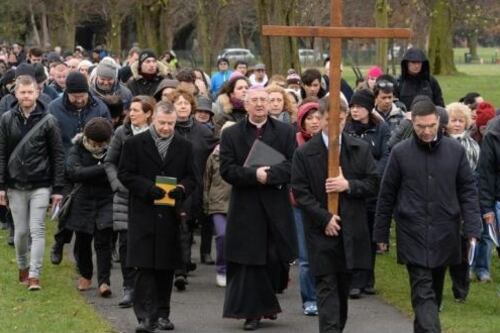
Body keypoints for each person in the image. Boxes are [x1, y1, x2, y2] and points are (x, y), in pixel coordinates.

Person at [374, 97, 481, 333]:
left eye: (431, 126)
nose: (426, 131)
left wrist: (473, 227)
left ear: (439, 123)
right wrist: (380, 234)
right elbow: (387, 195)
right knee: (422, 292)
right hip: (412, 232)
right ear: (413, 124)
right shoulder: (401, 153)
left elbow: (468, 191)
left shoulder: (455, 151)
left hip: (446, 232)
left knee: (433, 293)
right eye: (420, 126)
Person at [292, 96, 379, 332]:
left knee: (342, 289)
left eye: (340, 120)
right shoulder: (305, 153)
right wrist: (324, 218)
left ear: (346, 119)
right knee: (326, 286)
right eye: (329, 120)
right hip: (320, 232)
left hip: (350, 230)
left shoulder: (359, 149)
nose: (335, 126)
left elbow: (373, 183)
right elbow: (300, 191)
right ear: (319, 119)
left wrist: (348, 185)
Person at [220, 87, 297, 331]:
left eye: (264, 100)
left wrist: (270, 175)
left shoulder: (285, 131)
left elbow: (293, 165)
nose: (260, 104)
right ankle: (252, 312)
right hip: (246, 207)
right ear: (246, 104)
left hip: (276, 205)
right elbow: (227, 170)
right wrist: (254, 175)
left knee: (274, 258)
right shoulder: (231, 134)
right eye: (255, 100)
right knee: (250, 261)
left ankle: (267, 303)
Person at [118, 101, 197, 332]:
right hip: (143, 212)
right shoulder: (134, 144)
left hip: (170, 214)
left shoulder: (184, 146)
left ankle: (163, 314)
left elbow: (192, 178)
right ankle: (144, 317)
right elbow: (125, 173)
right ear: (153, 119)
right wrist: (145, 187)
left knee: (165, 267)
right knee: (144, 268)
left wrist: (181, 189)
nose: (166, 128)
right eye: (162, 123)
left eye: (171, 124)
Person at [0, 75, 65, 290]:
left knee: (37, 229)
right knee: (20, 232)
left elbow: (57, 155)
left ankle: (35, 275)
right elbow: (1, 153)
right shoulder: (6, 119)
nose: (26, 96)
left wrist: (57, 189)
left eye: (30, 92)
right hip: (15, 184)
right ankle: (22, 266)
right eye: (22, 92)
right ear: (16, 94)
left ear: (37, 93)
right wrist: (1, 186)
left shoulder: (49, 121)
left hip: (41, 183)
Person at [48, 72, 111, 265]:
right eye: (74, 96)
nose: (78, 100)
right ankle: (60, 241)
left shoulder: (99, 107)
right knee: (67, 208)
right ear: (67, 93)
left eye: (81, 96)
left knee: (84, 214)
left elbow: (109, 133)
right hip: (66, 164)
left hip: (94, 164)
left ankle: (85, 257)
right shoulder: (54, 108)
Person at [104, 95, 155, 308]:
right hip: (125, 196)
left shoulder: (157, 134)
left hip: (150, 197)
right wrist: (117, 184)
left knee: (148, 244)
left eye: (136, 110)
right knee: (126, 244)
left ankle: (149, 290)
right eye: (130, 109)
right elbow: (109, 162)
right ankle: (129, 288)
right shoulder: (120, 133)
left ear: (148, 113)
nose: (131, 113)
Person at [170, 89, 218, 290]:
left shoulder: (203, 132)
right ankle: (179, 267)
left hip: (194, 185)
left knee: (186, 226)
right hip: (169, 183)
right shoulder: (166, 127)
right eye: (178, 103)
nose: (182, 106)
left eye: (186, 103)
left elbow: (213, 155)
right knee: (176, 226)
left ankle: (182, 267)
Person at [64, 118, 114, 297]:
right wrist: (104, 168)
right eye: (94, 142)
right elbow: (74, 173)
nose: (97, 145)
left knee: (103, 241)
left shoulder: (115, 149)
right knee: (83, 240)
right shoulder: (77, 148)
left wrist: (91, 172)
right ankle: (85, 274)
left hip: (107, 199)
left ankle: (104, 281)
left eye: (101, 143)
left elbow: (117, 172)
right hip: (83, 199)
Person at [291, 101, 323, 316]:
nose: (314, 122)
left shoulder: (329, 143)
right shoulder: (295, 143)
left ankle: (325, 295)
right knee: (306, 257)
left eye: (317, 117)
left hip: (324, 204)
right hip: (300, 205)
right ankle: (309, 298)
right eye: (309, 118)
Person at [446, 102, 480, 301]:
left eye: (461, 121)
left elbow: (473, 173)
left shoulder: (472, 146)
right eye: (453, 120)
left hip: (463, 200)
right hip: (444, 198)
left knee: (462, 249)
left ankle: (461, 290)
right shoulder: (439, 142)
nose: (457, 124)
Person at [203, 121, 236, 287]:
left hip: (238, 204)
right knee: (222, 236)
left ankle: (236, 269)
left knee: (238, 239)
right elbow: (206, 180)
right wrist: (205, 204)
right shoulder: (214, 156)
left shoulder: (243, 154)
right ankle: (222, 269)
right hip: (218, 203)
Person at [474, 103, 500, 283]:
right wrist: (487, 206)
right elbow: (486, 173)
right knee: (488, 236)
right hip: (496, 194)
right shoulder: (493, 135)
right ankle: (482, 269)